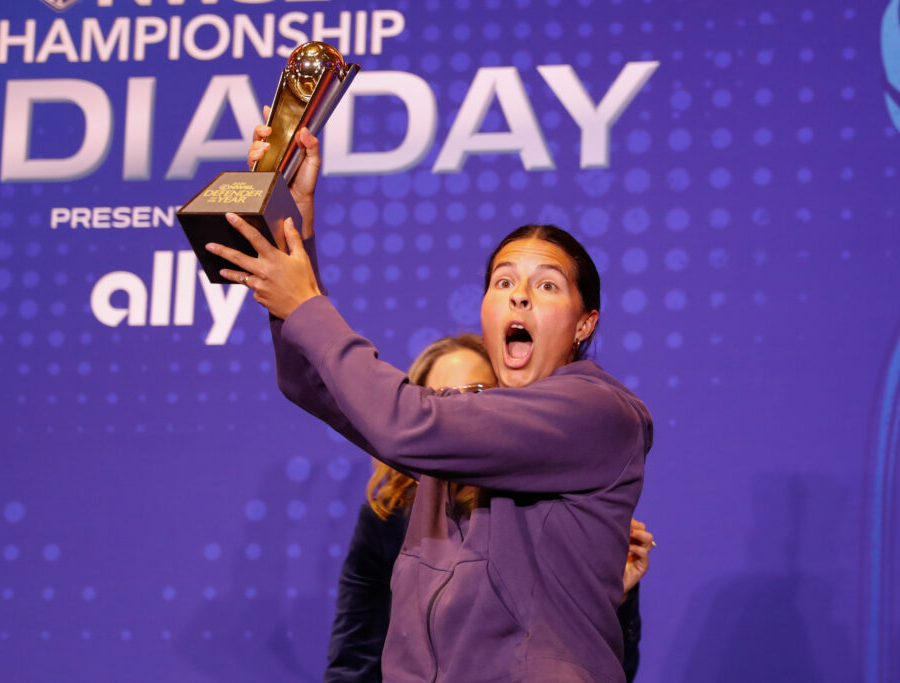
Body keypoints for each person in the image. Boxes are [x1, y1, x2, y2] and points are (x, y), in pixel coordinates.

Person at [207, 125, 654, 681]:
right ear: (486, 310)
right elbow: (310, 379)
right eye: (503, 280)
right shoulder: (461, 426)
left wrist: (308, 302)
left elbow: (405, 424)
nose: (518, 293)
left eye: (547, 286)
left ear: (585, 324)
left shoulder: (600, 413)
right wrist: (293, 229)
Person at [323, 334, 655, 683]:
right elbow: (353, 658)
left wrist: (611, 598)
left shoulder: (550, 507)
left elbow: (607, 669)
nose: (458, 414)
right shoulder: (390, 516)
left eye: (477, 395)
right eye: (436, 402)